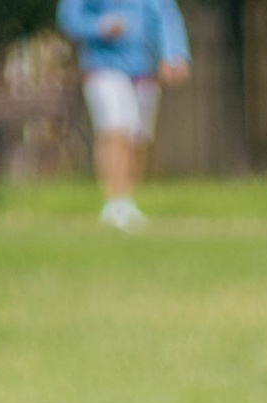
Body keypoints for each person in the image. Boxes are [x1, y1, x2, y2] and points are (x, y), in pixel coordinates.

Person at [56, 0, 189, 230]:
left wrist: (174, 54)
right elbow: (68, 19)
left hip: (143, 69)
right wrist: (100, 26)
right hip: (103, 67)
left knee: (138, 139)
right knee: (116, 129)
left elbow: (166, 15)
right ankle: (113, 202)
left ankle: (127, 201)